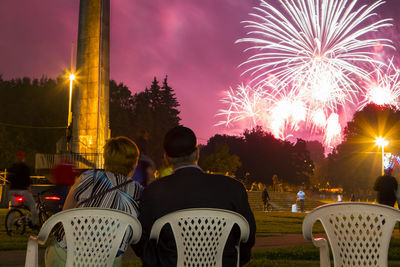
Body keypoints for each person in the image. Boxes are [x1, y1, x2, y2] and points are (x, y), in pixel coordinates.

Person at [133, 126, 256, 266]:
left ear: (166, 158)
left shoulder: (153, 192)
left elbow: (141, 243)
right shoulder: (234, 188)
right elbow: (247, 238)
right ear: (197, 153)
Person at [45, 137, 143, 267]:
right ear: (134, 163)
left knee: (53, 250)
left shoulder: (88, 177)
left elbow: (65, 212)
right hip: (107, 261)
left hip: (66, 257)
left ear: (106, 159)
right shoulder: (138, 191)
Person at [8, 151, 37, 228]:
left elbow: (9, 178)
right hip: (23, 190)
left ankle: (9, 227)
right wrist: (29, 188)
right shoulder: (25, 167)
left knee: (12, 208)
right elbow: (27, 180)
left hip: (13, 190)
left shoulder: (13, 167)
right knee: (33, 206)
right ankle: (33, 223)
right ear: (23, 158)